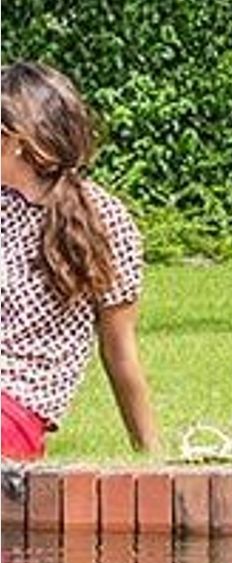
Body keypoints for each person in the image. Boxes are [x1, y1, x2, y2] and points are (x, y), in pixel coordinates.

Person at [1, 62, 160, 462]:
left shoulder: (102, 220)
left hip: (15, 407)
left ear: (16, 142)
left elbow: (119, 350)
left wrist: (153, 456)